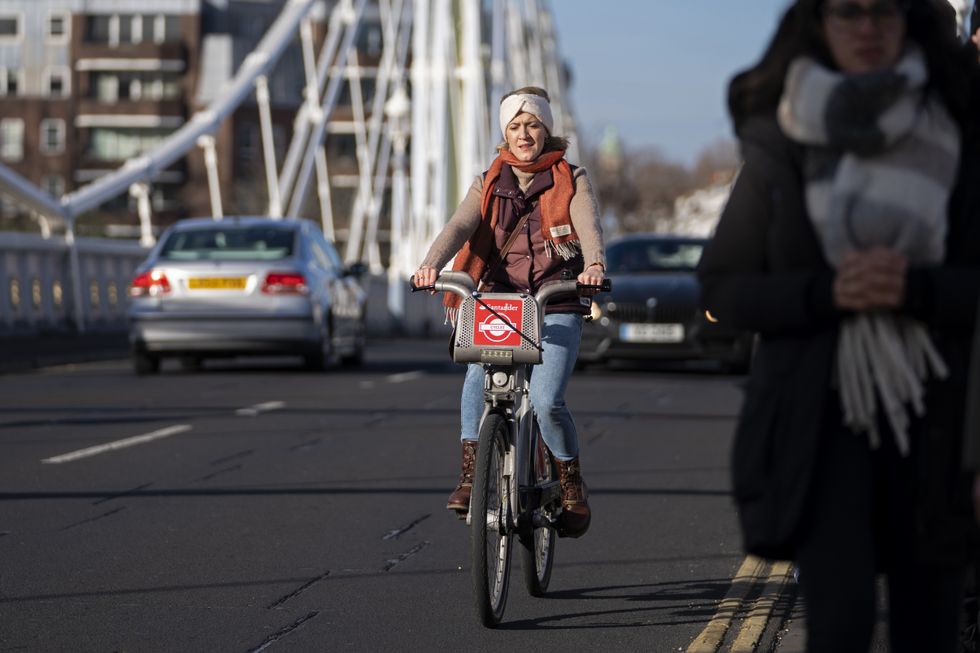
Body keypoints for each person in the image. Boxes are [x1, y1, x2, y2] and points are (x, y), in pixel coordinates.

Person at [696, 1, 980, 651]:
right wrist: (828, 291)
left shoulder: (960, 129)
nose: (868, 28)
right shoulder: (783, 140)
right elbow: (725, 284)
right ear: (818, 24)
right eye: (847, 11)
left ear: (912, 21)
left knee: (929, 633)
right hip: (819, 423)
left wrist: (918, 288)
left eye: (885, 10)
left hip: (939, 423)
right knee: (842, 623)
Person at [413, 86, 605, 538]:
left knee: (545, 399)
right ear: (505, 133)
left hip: (556, 297)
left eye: (533, 125)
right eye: (516, 126)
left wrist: (593, 264)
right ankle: (470, 476)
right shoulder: (489, 180)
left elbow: (588, 224)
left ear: (546, 131)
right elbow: (461, 224)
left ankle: (570, 482)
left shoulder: (571, 177)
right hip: (500, 302)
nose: (524, 134)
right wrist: (430, 265)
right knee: (475, 381)